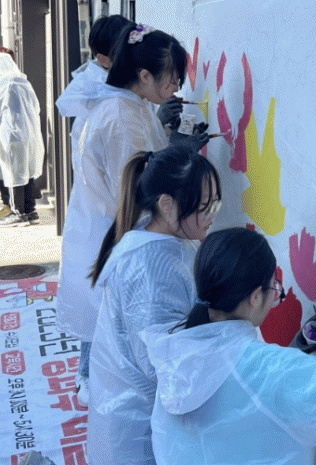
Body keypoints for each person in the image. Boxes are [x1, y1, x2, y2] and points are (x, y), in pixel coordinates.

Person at [140, 228, 316, 465]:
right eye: (274, 288)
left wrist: (289, 360)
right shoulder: (269, 370)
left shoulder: (179, 357)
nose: (275, 297)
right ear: (256, 297)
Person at [55, 23, 209, 407]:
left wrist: (169, 139)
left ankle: (98, 387)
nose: (177, 85)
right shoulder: (121, 116)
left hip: (107, 229)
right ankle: (98, 390)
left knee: (110, 332)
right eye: (172, 77)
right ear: (143, 75)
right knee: (119, 341)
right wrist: (182, 154)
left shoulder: (128, 104)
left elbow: (141, 162)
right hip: (115, 232)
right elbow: (138, 190)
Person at [87, 144, 221, 465]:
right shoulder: (152, 269)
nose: (212, 215)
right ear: (166, 204)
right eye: (204, 206)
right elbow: (160, 366)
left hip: (129, 411)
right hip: (136, 426)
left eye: (216, 203)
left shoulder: (159, 238)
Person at [55, 15, 133, 167]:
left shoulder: (113, 86)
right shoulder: (101, 97)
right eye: (126, 52)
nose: (135, 56)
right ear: (104, 60)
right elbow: (125, 156)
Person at [0, 47, 45, 227]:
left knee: (12, 175)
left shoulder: (4, 85)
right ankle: (30, 211)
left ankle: (16, 212)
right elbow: (36, 107)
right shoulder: (24, 82)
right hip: (29, 135)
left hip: (10, 136)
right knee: (26, 173)